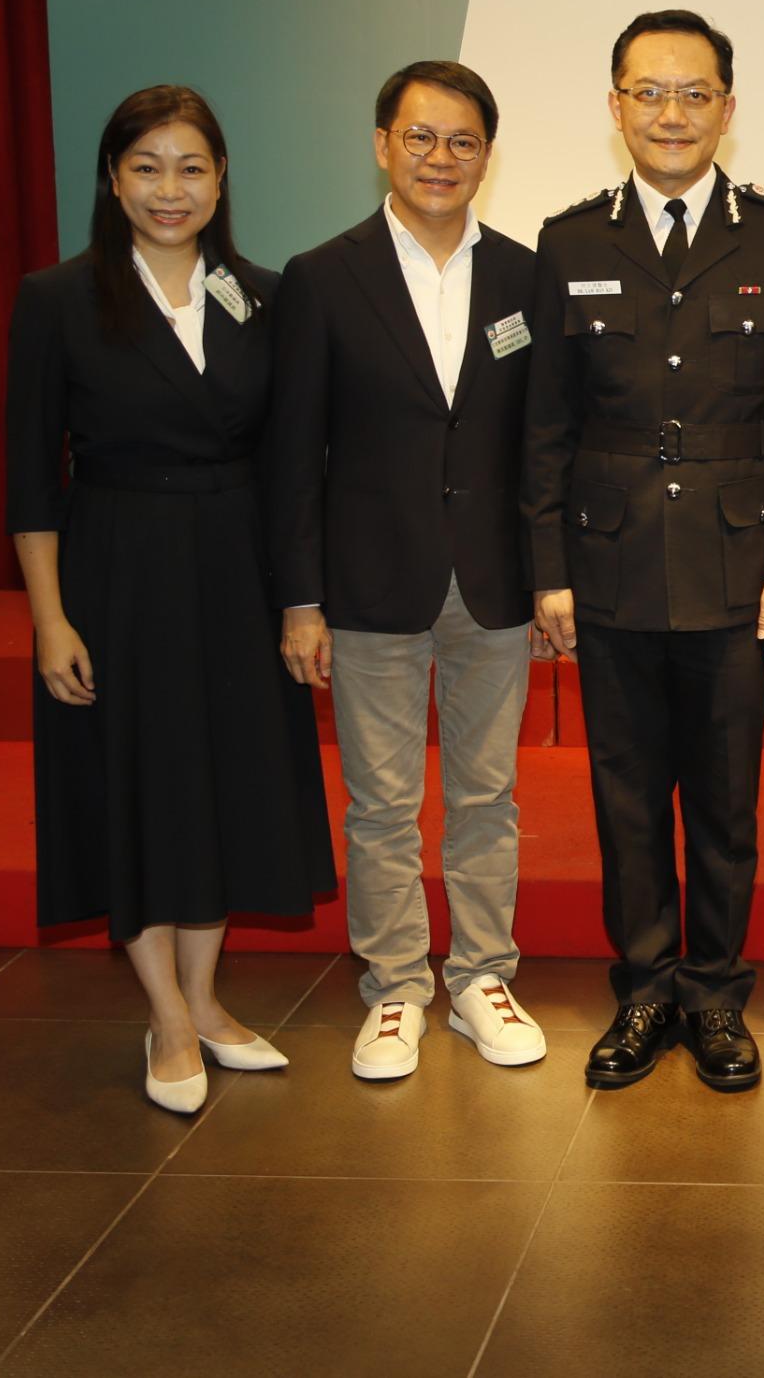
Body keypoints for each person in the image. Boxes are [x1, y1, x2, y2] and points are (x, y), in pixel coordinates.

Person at [6, 84, 334, 1114]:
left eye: (190, 165)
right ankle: (168, 1015)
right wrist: (50, 616)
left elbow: (291, 464)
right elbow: (28, 474)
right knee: (139, 784)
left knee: (224, 783)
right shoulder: (59, 298)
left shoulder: (264, 293)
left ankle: (206, 996)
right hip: (119, 566)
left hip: (236, 565)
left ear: (222, 177)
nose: (169, 188)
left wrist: (298, 598)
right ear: (111, 178)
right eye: (145, 165)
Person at [525, 10, 764, 1092]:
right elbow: (546, 422)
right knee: (625, 790)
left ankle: (715, 993)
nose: (670, 113)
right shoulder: (570, 240)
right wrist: (548, 566)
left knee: (726, 794)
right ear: (614, 107)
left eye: (694, 93)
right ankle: (644, 991)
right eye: (647, 92)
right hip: (606, 559)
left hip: (736, 563)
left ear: (727, 110)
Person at [260, 60, 546, 1082]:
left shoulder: (523, 274)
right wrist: (299, 597)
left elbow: (537, 443)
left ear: (486, 155)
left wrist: (549, 575)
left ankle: (480, 975)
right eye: (420, 137)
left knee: (487, 793)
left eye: (462, 140)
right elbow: (292, 453)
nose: (440, 158)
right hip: (368, 585)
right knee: (380, 803)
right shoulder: (324, 276)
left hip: (495, 586)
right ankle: (394, 988)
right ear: (383, 144)